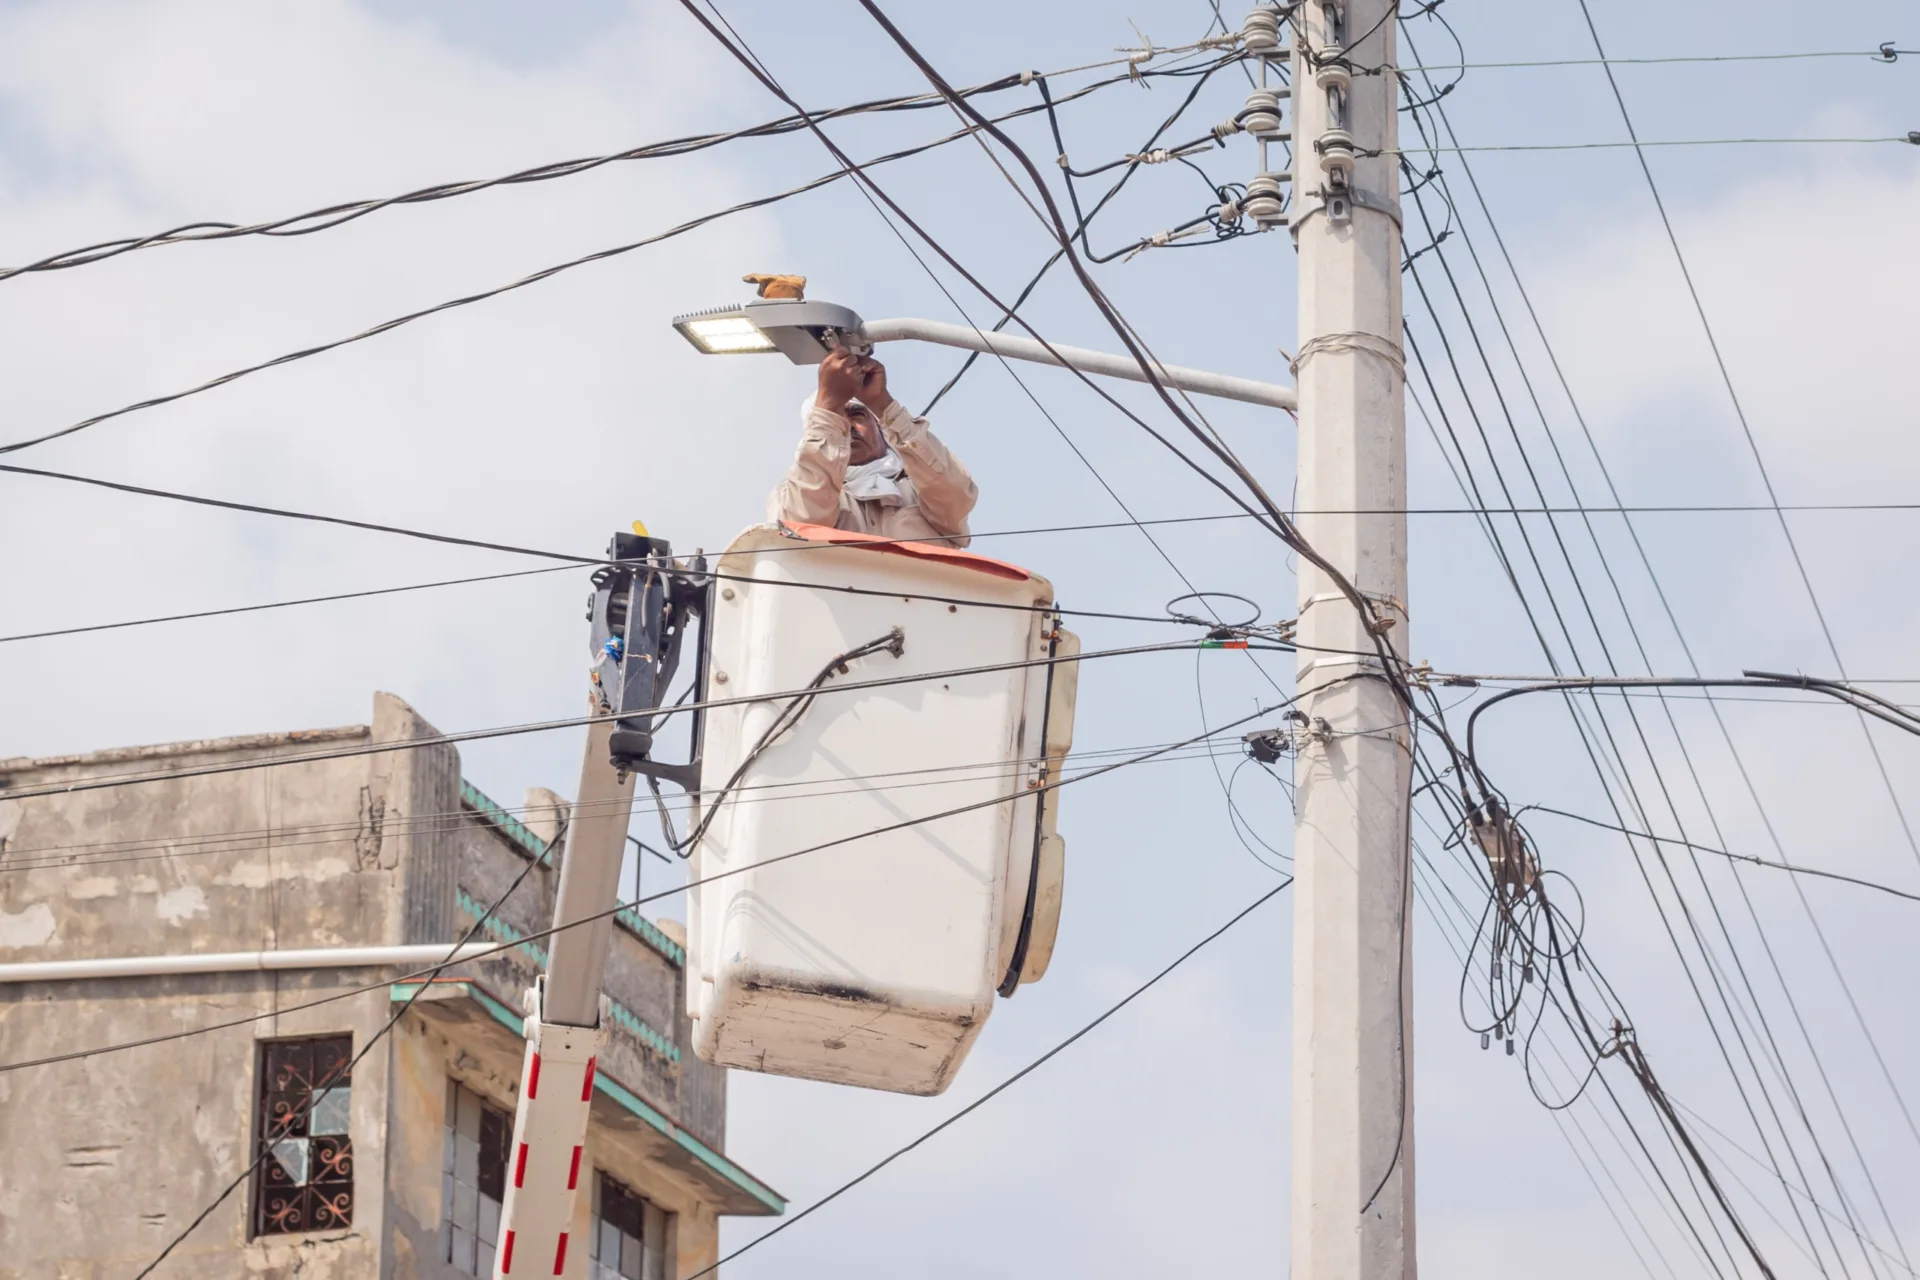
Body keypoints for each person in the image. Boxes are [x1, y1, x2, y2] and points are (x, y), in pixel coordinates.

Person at [767, 348, 978, 547]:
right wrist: (828, 407)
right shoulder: (791, 494)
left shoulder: (918, 489)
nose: (848, 427)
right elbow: (802, 526)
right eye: (837, 421)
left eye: (857, 415)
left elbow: (957, 496)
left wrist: (883, 404)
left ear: (881, 430)